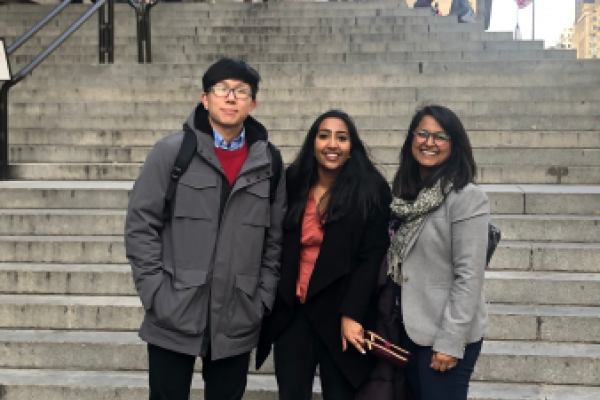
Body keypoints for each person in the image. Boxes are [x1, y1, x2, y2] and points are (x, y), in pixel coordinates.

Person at [124, 58, 286, 400]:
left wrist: (262, 298)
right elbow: (141, 225)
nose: (231, 98)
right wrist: (155, 293)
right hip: (174, 309)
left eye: (241, 92)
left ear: (252, 103)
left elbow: (274, 240)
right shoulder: (171, 153)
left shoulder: (268, 162)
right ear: (205, 98)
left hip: (238, 315)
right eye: (222, 89)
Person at [256, 110, 392, 400]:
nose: (332, 144)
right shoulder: (292, 182)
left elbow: (372, 258)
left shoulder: (372, 190)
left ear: (351, 147)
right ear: (312, 143)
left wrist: (352, 313)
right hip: (294, 312)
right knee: (291, 392)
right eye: (324, 136)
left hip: (341, 311)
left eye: (342, 138)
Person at [388, 105, 489, 400]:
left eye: (440, 136)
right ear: (411, 139)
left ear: (454, 145)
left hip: (445, 334)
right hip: (409, 328)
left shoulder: (467, 198)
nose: (429, 142)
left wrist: (450, 341)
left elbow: (469, 275)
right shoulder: (405, 195)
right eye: (422, 133)